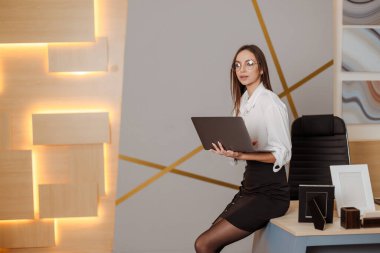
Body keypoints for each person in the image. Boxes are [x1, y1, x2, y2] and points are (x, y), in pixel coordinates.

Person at [194, 44, 291, 253]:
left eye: (249, 64)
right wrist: (229, 150)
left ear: (261, 69)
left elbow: (282, 154)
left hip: (271, 194)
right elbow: (246, 147)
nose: (242, 70)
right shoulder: (242, 104)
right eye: (237, 65)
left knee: (204, 244)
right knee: (210, 240)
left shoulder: (270, 103)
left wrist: (243, 153)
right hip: (249, 188)